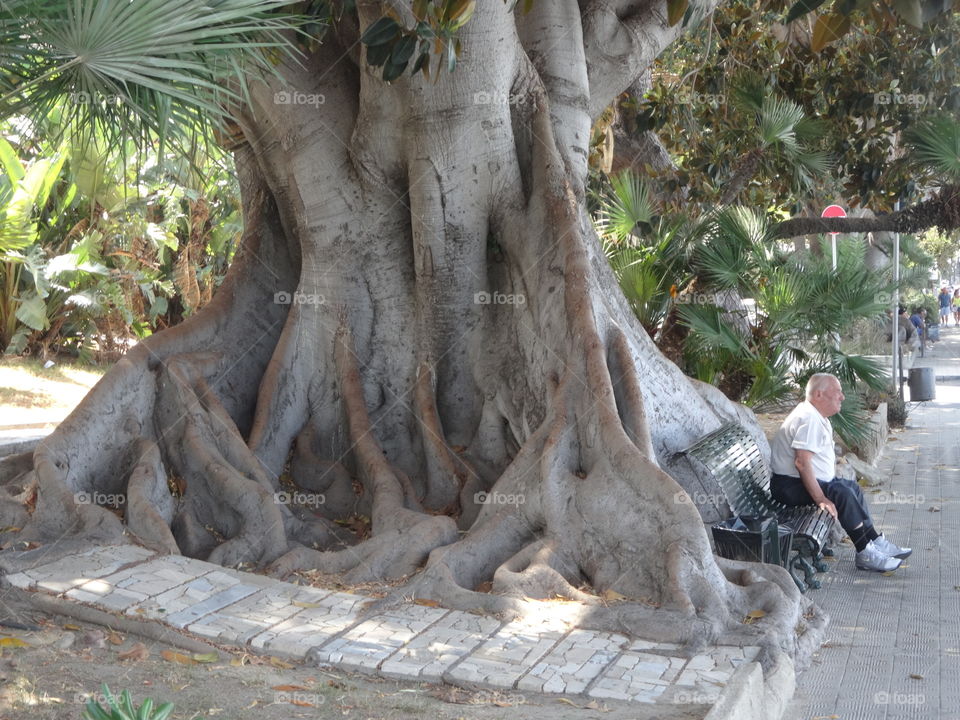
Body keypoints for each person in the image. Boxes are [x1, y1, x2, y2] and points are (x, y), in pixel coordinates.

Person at [770, 373, 911, 572]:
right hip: (788, 486)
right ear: (819, 395)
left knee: (850, 487)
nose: (842, 397)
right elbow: (802, 463)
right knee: (842, 493)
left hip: (795, 482)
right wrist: (820, 498)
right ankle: (864, 552)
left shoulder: (813, 415)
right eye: (837, 392)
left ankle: (874, 540)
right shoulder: (808, 418)